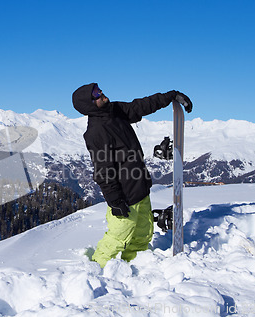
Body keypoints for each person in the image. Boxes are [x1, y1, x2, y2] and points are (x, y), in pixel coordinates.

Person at [72, 83, 192, 268]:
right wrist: (115, 201)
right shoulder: (96, 132)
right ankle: (96, 269)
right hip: (124, 195)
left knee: (144, 232)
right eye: (95, 93)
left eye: (99, 89)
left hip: (140, 187)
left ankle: (135, 266)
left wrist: (170, 96)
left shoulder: (116, 111)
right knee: (118, 235)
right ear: (89, 104)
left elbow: (141, 105)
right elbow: (103, 170)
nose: (101, 93)